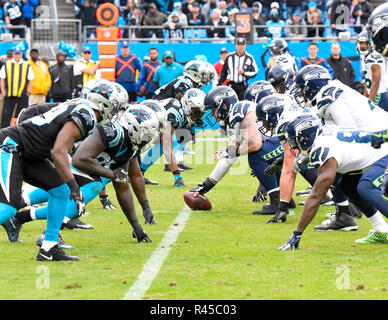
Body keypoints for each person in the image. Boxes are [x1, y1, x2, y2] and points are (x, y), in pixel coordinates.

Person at [0, 82, 122, 261]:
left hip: (29, 152)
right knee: (8, 210)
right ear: (105, 104)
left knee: (60, 190)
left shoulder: (83, 108)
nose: (115, 111)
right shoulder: (86, 114)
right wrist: (74, 186)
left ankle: (48, 248)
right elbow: (59, 152)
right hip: (12, 146)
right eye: (116, 105)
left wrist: (70, 186)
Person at [279, 115, 388, 250]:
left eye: (296, 141)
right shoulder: (325, 133)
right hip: (375, 154)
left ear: (307, 137)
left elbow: (316, 196)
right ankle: (381, 230)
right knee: (348, 186)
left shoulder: (321, 151)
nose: (294, 146)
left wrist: (297, 233)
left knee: (366, 187)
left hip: (383, 154)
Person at [0, 48, 33, 128]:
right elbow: (2, 79)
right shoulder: (7, 64)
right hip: (9, 94)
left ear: (21, 55)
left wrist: (28, 91)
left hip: (22, 95)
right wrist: (3, 91)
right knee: (6, 116)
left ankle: (20, 133)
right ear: (13, 55)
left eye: (19, 54)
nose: (17, 56)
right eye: (16, 54)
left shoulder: (26, 65)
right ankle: (4, 134)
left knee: (22, 115)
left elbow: (31, 79)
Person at [357, 31, 388, 112]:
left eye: (365, 43)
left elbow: (375, 84)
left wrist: (369, 102)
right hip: (372, 93)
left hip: (379, 95)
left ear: (370, 44)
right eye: (361, 43)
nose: (362, 46)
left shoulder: (374, 58)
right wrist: (365, 97)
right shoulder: (364, 57)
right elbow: (368, 82)